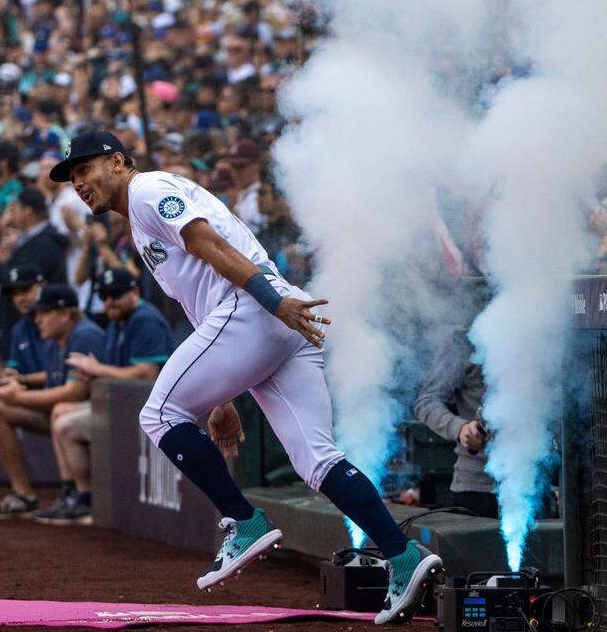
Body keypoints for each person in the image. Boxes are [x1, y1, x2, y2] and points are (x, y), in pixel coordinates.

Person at [49, 131, 442, 624]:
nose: (79, 183)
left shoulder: (147, 191)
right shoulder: (140, 218)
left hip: (257, 307)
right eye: (73, 177)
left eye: (85, 169)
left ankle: (245, 520)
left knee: (161, 414)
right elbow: (201, 298)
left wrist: (273, 304)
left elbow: (205, 242)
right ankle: (402, 554)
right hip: (262, 316)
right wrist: (224, 396)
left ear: (119, 162)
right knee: (317, 461)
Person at [33, 268, 176, 527]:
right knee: (62, 411)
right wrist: (96, 375)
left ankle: (85, 498)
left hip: (156, 413)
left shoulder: (145, 319)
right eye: (104, 295)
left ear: (135, 292)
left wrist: (98, 370)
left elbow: (147, 375)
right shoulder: (116, 322)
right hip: (126, 407)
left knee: (65, 425)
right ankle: (73, 494)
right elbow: (117, 373)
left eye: (116, 295)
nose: (109, 301)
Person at [0, 283, 104, 520]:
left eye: (44, 313)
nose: (37, 319)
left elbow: (73, 393)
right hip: (74, 414)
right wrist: (12, 379)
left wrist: (18, 395)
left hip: (103, 415)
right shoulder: (57, 339)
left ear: (65, 314)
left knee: (61, 409)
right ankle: (30, 495)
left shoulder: (85, 334)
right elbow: (54, 379)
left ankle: (80, 496)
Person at [412, 327, 498, 518]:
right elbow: (426, 402)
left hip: (534, 483)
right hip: (478, 487)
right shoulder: (464, 340)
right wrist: (460, 429)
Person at [0, 187, 68, 357]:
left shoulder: (47, 242)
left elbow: (18, 279)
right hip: (17, 326)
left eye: (15, 209)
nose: (11, 214)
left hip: (36, 329)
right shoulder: (25, 240)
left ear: (28, 211)